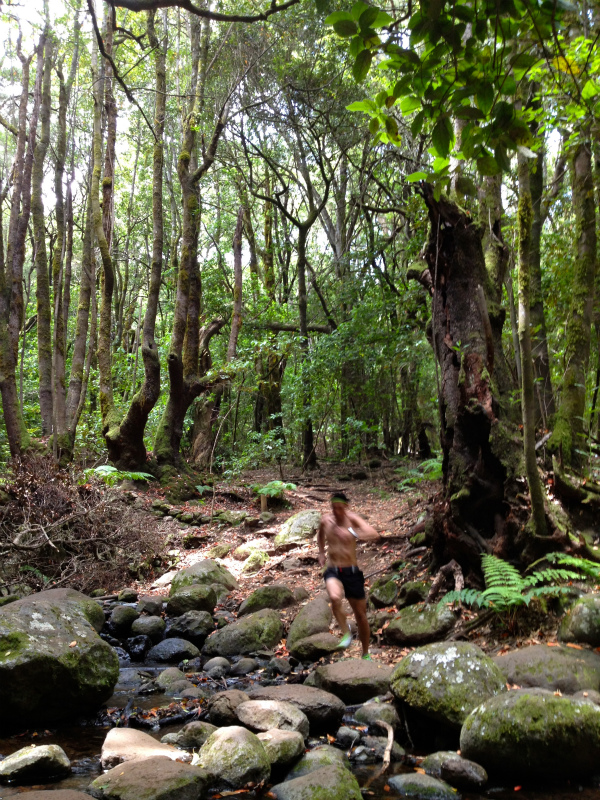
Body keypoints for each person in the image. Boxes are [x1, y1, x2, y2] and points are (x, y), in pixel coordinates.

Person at [317, 491, 382, 660]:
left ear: (346, 506)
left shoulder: (352, 519)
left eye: (340, 507)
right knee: (335, 597)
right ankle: (346, 633)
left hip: (351, 571)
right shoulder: (326, 520)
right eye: (334, 507)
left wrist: (352, 533)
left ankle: (365, 653)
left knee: (360, 615)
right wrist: (321, 553)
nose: (337, 511)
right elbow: (320, 535)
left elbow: (374, 534)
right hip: (333, 569)